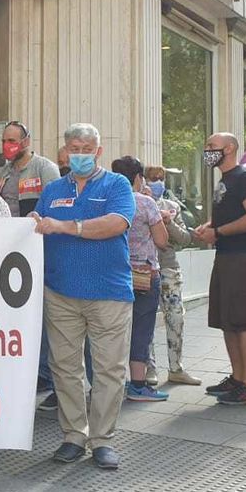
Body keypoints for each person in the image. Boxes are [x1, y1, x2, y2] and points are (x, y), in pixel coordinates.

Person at [30, 123, 134, 470]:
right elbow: (40, 226)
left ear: (98, 152)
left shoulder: (117, 185)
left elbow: (117, 223)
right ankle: (73, 435)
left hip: (109, 292)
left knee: (109, 369)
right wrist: (34, 220)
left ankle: (102, 440)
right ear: (65, 152)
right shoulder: (53, 189)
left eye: (87, 149)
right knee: (64, 368)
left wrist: (66, 226)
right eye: (74, 148)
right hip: (60, 291)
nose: (80, 155)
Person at [193, 133, 246, 406]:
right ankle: (238, 379)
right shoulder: (224, 181)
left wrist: (218, 232)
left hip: (244, 256)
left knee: (244, 320)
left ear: (229, 148)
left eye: (211, 146)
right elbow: (230, 213)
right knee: (227, 319)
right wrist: (209, 226)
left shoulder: (244, 178)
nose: (207, 151)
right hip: (226, 255)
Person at [108, 156, 170, 403]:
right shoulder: (145, 203)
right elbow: (162, 241)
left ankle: (108, 384)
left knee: (110, 330)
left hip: (113, 273)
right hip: (144, 275)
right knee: (141, 330)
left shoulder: (108, 200)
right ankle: (138, 385)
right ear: (138, 178)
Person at [142, 166, 201, 387]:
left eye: (160, 178)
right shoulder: (135, 203)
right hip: (143, 269)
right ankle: (149, 368)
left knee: (175, 317)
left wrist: (168, 222)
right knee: (145, 319)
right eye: (151, 178)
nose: (156, 182)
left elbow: (185, 239)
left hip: (168, 268)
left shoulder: (171, 206)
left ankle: (176, 368)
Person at [0, 120, 59, 217]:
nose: (6, 146)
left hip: (34, 225)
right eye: (4, 141)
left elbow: (55, 203)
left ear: (26, 141)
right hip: (7, 225)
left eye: (11, 141)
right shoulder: (4, 172)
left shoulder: (45, 168)